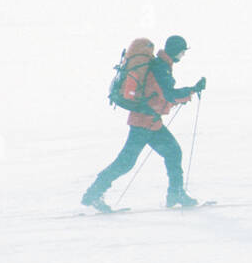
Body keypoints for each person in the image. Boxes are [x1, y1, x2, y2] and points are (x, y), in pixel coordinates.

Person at [81, 35, 207, 211]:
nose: (184, 55)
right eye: (183, 51)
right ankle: (93, 194)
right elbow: (169, 94)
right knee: (126, 162)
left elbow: (160, 96)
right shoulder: (161, 68)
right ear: (177, 51)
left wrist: (187, 94)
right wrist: (192, 90)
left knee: (172, 152)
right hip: (143, 123)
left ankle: (175, 193)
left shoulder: (161, 66)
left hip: (150, 122)